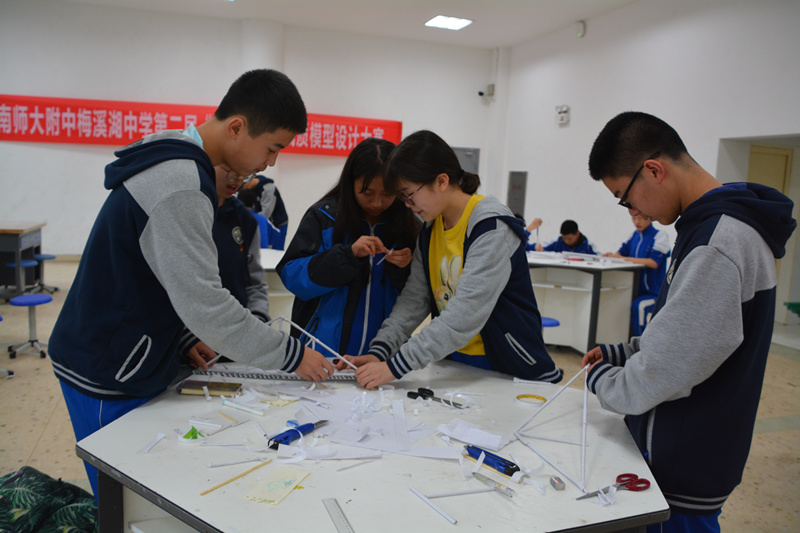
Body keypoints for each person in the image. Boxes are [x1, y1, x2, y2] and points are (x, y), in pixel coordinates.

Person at [48, 69, 335, 498]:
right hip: (107, 364)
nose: (270, 163)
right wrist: (292, 355)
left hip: (118, 349)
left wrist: (182, 336)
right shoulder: (180, 182)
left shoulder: (178, 160)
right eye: (272, 148)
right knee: (122, 502)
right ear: (236, 127)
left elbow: (156, 272)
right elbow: (207, 305)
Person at [582, 111, 795, 532]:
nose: (632, 210)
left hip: (683, 465)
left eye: (624, 197)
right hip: (683, 449)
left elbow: (661, 373)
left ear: (653, 170)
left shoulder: (719, 242)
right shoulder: (706, 228)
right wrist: (624, 352)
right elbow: (684, 331)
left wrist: (601, 379)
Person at [336, 130, 563, 390]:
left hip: (508, 367)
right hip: (454, 363)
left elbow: (464, 315)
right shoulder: (430, 231)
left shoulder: (491, 228)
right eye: (402, 198)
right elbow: (414, 300)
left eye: (409, 194)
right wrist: (381, 351)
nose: (407, 205)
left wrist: (394, 366)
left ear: (441, 181)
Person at [277, 138, 419, 359]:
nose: (377, 203)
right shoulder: (324, 217)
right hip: (322, 354)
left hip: (384, 358)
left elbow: (419, 299)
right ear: (350, 182)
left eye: (387, 193)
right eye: (367, 192)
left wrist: (405, 268)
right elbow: (292, 275)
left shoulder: (410, 226)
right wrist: (346, 255)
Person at [604, 214, 671, 335]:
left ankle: (640, 342)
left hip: (653, 293)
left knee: (639, 306)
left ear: (649, 217)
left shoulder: (660, 236)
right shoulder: (634, 236)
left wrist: (625, 259)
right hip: (634, 290)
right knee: (614, 302)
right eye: (634, 218)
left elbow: (654, 262)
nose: (637, 221)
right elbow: (620, 254)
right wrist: (612, 256)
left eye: (640, 218)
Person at [241, 173, 288, 249]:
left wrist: (254, 220)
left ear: (247, 183)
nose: (244, 188)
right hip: (265, 220)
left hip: (278, 223)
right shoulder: (253, 188)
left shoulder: (267, 189)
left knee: (276, 250)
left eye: (244, 185)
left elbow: (266, 212)